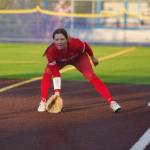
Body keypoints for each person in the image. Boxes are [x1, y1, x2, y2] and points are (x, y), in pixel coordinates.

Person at [37, 28, 122, 113]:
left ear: (67, 39)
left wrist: (92, 57)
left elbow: (86, 46)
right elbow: (56, 73)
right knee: (48, 72)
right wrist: (57, 93)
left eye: (62, 39)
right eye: (56, 39)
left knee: (90, 76)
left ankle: (112, 102)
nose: (59, 42)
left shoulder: (75, 43)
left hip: (78, 58)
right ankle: (43, 101)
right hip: (61, 61)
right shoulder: (50, 52)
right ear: (53, 40)